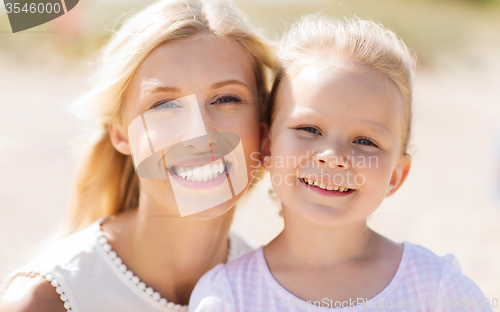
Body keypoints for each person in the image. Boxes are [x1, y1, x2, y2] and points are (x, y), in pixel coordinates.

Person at [188, 14, 492, 312]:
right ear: (268, 146)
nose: (333, 157)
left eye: (365, 141)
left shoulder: (437, 290)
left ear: (397, 175)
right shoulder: (228, 296)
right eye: (309, 129)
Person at [0, 0, 274, 311]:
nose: (200, 135)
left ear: (264, 128)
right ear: (120, 133)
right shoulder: (45, 300)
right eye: (163, 105)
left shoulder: (276, 292)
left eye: (226, 99)